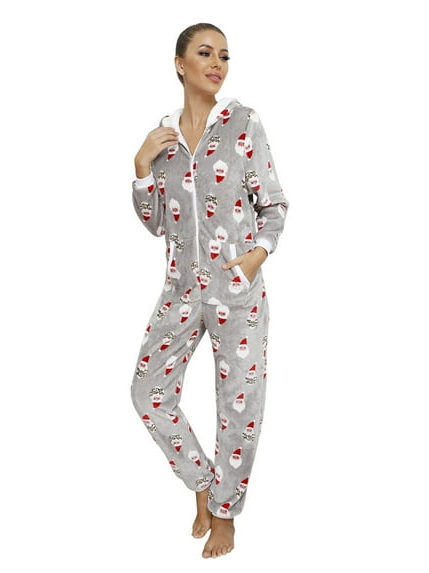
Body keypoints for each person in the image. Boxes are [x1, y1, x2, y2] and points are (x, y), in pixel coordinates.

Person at [130, 22, 289, 559]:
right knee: (147, 392)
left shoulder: (243, 122)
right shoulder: (164, 140)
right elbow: (156, 222)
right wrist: (141, 167)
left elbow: (274, 204)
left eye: (224, 55)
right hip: (181, 289)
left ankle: (225, 513)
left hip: (237, 289)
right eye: (205, 53)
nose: (217, 63)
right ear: (180, 64)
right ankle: (201, 480)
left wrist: (255, 256)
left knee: (238, 407)